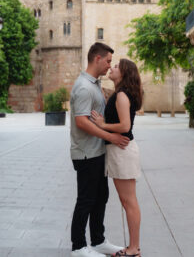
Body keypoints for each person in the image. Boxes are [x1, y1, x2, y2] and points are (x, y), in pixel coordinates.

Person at [70, 42, 129, 257]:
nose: (109, 65)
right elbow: (82, 122)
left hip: (97, 153)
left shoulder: (93, 84)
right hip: (86, 153)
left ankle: (97, 240)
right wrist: (110, 136)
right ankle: (78, 246)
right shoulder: (84, 86)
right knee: (86, 199)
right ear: (97, 59)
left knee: (101, 196)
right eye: (108, 61)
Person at [91, 59, 142, 257]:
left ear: (124, 73)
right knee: (127, 201)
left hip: (122, 151)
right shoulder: (120, 93)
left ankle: (133, 249)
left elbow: (125, 126)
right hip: (120, 151)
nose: (112, 68)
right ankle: (134, 247)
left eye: (116, 66)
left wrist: (102, 125)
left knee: (129, 201)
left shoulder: (121, 95)